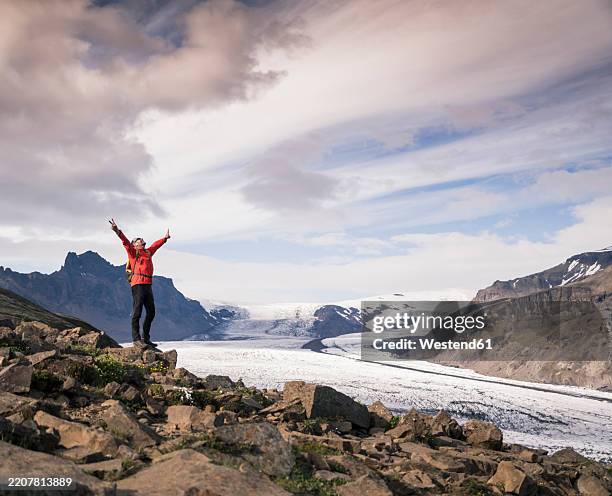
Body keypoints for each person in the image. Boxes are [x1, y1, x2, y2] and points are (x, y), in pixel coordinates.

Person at [109, 218, 170, 347]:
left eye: (141, 240)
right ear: (135, 245)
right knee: (137, 311)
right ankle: (136, 339)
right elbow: (125, 242)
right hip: (137, 284)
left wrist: (164, 239)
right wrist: (117, 231)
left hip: (148, 284)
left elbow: (155, 245)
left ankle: (146, 338)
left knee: (151, 312)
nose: (141, 240)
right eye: (138, 240)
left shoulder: (148, 252)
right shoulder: (133, 253)